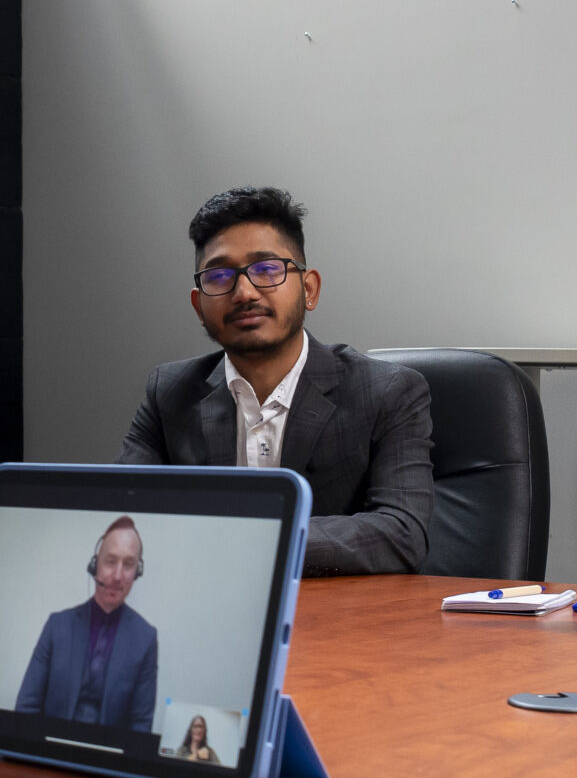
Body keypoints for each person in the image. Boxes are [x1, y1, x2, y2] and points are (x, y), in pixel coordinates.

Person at [119, 187, 435, 576]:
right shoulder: (169, 392)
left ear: (309, 288)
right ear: (199, 305)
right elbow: (126, 516)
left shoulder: (387, 391)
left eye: (267, 270)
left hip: (338, 621)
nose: (244, 292)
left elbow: (402, 531)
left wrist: (255, 539)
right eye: (218, 276)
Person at [14, 517, 160, 729]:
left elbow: (140, 726)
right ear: (95, 565)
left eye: (128, 564)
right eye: (110, 561)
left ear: (138, 571)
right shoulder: (57, 626)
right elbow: (26, 708)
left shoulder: (146, 638)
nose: (118, 576)